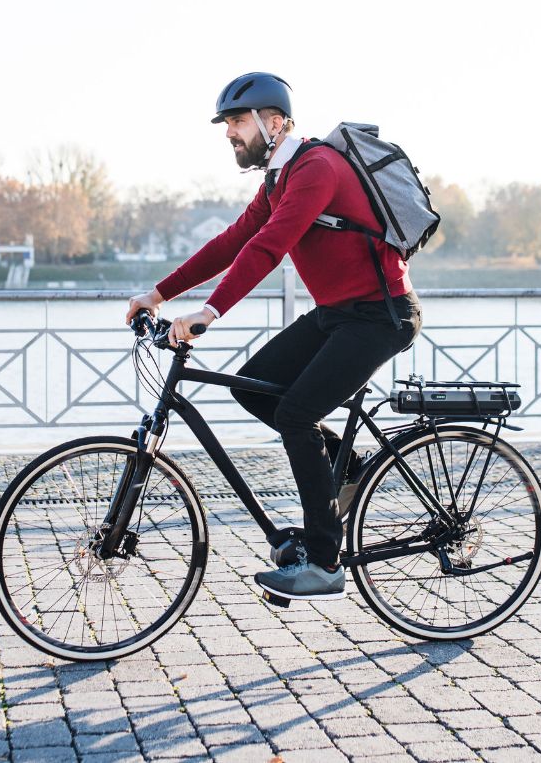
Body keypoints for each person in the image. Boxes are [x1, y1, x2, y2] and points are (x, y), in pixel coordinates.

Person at [125, 72, 422, 602]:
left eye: (237, 121)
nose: (229, 134)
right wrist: (159, 294)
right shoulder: (278, 179)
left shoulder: (316, 169)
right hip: (337, 313)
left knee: (294, 415)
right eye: (228, 124)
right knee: (252, 385)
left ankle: (326, 564)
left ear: (275, 122)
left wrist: (210, 312)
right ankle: (346, 465)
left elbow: (270, 248)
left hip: (381, 317)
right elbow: (235, 242)